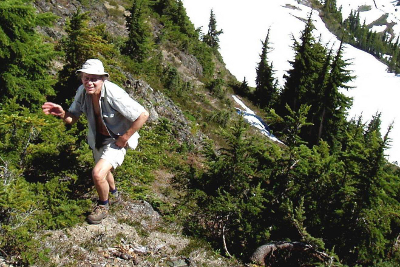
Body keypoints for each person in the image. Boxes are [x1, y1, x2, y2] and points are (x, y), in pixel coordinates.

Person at [42, 59, 149, 224]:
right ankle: (114, 195)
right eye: (86, 77)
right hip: (98, 138)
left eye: (94, 78)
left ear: (103, 79)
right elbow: (72, 118)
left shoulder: (114, 93)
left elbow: (143, 115)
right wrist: (62, 113)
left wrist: (124, 138)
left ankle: (103, 206)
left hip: (117, 139)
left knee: (98, 173)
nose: (89, 82)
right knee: (104, 171)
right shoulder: (82, 92)